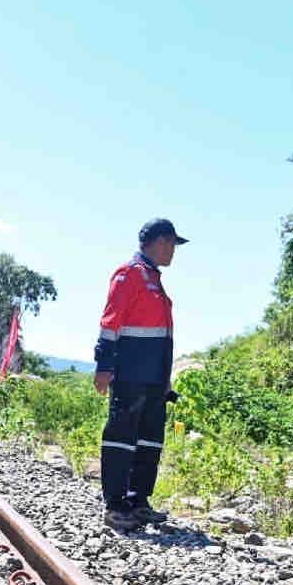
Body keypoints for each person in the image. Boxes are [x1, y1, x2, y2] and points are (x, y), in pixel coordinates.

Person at [93, 219, 187, 531]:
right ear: (159, 242)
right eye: (172, 244)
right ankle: (116, 505)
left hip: (154, 380)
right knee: (121, 440)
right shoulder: (129, 274)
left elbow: (160, 336)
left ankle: (138, 501)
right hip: (130, 374)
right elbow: (110, 323)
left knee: (149, 441)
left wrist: (165, 380)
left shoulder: (154, 279)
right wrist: (104, 367)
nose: (174, 251)